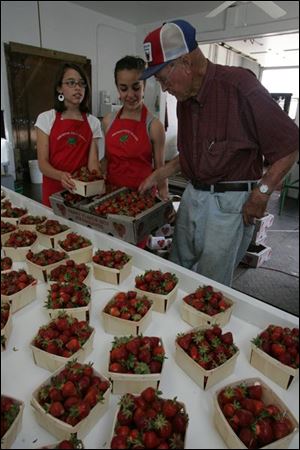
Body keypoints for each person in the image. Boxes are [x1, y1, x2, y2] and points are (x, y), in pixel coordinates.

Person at [139, 19, 299, 286]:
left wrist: (262, 193)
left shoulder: (239, 87)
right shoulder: (184, 101)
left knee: (209, 284)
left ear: (186, 64)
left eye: (164, 79)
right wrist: (159, 174)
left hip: (230, 204)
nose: (165, 88)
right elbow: (194, 155)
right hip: (193, 196)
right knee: (178, 270)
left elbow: (290, 144)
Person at [101, 55, 168, 201]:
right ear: (117, 88)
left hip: (142, 199)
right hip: (111, 199)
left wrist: (164, 198)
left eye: (136, 87)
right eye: (124, 89)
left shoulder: (154, 126)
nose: (130, 95)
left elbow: (160, 169)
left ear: (144, 86)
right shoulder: (108, 121)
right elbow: (106, 160)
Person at [35, 62, 102, 206]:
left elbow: (93, 163)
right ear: (59, 88)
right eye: (71, 83)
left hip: (81, 194)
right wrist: (60, 176)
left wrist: (97, 180)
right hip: (53, 192)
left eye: (81, 83)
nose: (77, 87)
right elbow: (42, 163)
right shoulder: (46, 119)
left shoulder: (93, 122)